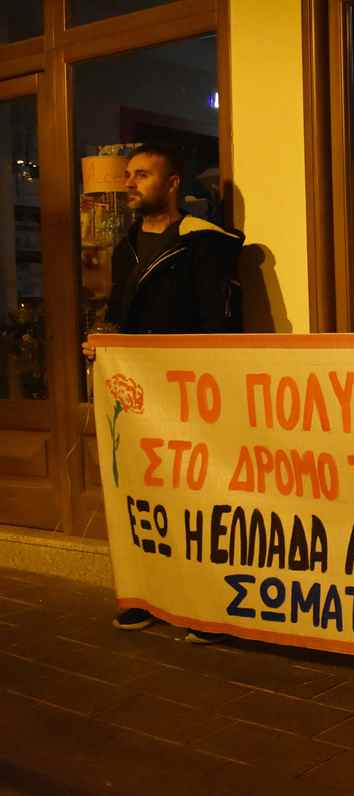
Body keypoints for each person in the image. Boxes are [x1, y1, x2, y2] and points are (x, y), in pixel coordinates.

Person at [81, 142, 244, 645]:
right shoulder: (125, 248)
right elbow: (121, 315)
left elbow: (217, 325)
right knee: (140, 495)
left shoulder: (203, 244)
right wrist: (103, 343)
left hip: (190, 395)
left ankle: (207, 606)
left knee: (196, 499)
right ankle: (143, 595)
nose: (130, 183)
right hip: (138, 397)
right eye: (129, 175)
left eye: (142, 175)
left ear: (172, 184)